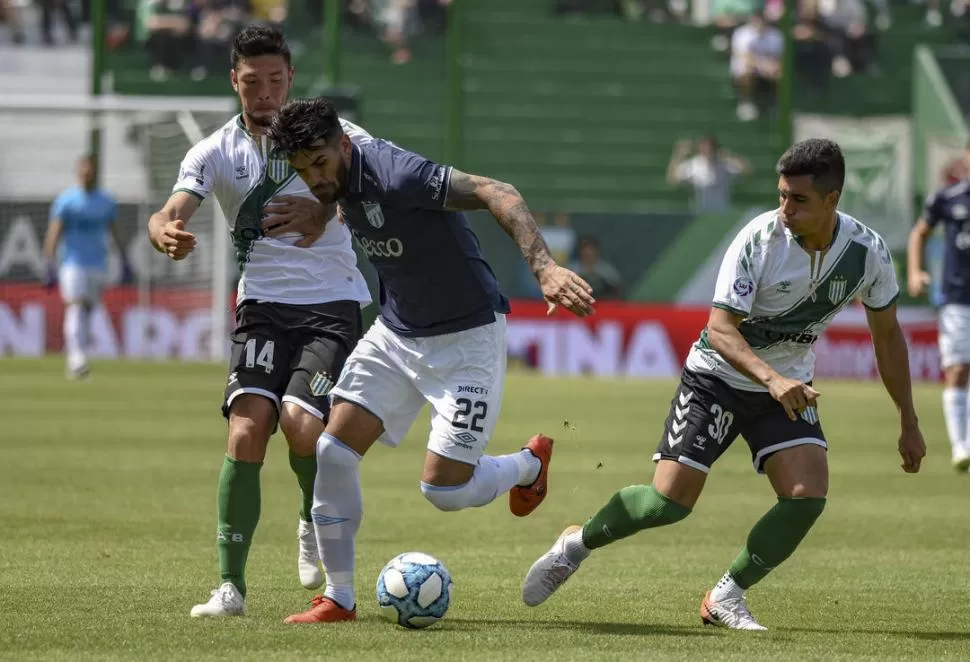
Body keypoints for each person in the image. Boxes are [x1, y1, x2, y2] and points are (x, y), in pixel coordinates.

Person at [521, 138, 926, 630]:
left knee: (806, 494)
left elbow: (886, 336)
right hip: (717, 376)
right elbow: (720, 328)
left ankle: (725, 597)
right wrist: (772, 378)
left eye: (798, 200)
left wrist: (908, 419)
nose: (785, 209)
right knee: (668, 503)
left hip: (786, 385)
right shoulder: (758, 239)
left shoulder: (868, 254)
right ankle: (576, 545)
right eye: (781, 195)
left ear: (831, 200)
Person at [266, 96, 596, 624]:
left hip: (467, 338)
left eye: (321, 165)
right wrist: (323, 204)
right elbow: (339, 185)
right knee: (333, 452)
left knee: (443, 490)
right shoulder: (333, 168)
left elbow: (497, 191)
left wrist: (544, 269)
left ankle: (528, 464)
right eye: (303, 172)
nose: (314, 178)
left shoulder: (399, 174)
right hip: (396, 334)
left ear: (344, 145)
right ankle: (338, 597)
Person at [146, 26, 373, 618]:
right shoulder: (215, 151)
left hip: (332, 306)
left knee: (301, 427)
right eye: (253, 82)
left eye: (276, 80)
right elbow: (171, 208)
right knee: (248, 430)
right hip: (262, 308)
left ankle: (309, 517)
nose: (266, 93)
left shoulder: (335, 136)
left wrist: (326, 209)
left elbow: (380, 183)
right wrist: (162, 230)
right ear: (235, 82)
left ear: (291, 78)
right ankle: (230, 589)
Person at [907, 142, 970, 471]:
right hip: (958, 299)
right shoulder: (948, 197)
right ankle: (961, 447)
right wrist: (915, 271)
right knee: (958, 370)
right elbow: (920, 232)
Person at [43, 155, 132, 380]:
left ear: (94, 173)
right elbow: (54, 232)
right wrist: (48, 262)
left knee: (87, 311)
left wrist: (124, 259)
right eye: (83, 170)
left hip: (97, 265)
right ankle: (76, 358)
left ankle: (76, 361)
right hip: (72, 264)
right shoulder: (66, 200)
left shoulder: (105, 201)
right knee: (76, 307)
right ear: (77, 172)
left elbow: (115, 231)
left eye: (90, 170)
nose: (86, 174)